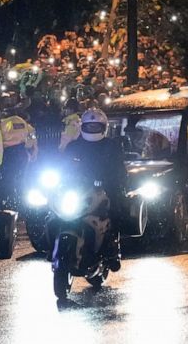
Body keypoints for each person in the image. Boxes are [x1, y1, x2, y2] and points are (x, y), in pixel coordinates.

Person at [62, 108, 128, 272]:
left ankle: (113, 248)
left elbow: (119, 169)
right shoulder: (73, 147)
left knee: (116, 208)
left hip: (103, 188)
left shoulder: (111, 146)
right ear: (82, 127)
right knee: (50, 209)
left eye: (95, 127)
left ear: (104, 127)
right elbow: (61, 165)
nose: (92, 130)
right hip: (77, 189)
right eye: (89, 126)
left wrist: (114, 182)